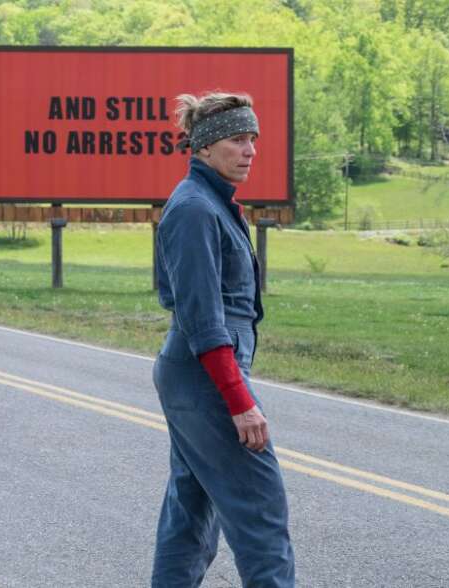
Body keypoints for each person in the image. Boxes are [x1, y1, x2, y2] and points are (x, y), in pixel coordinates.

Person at [151, 92, 296, 587]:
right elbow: (203, 320)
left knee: (191, 511)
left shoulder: (212, 203)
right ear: (206, 147)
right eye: (238, 139)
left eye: (253, 139)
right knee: (260, 512)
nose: (250, 150)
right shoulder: (194, 210)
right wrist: (239, 401)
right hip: (204, 375)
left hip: (198, 373)